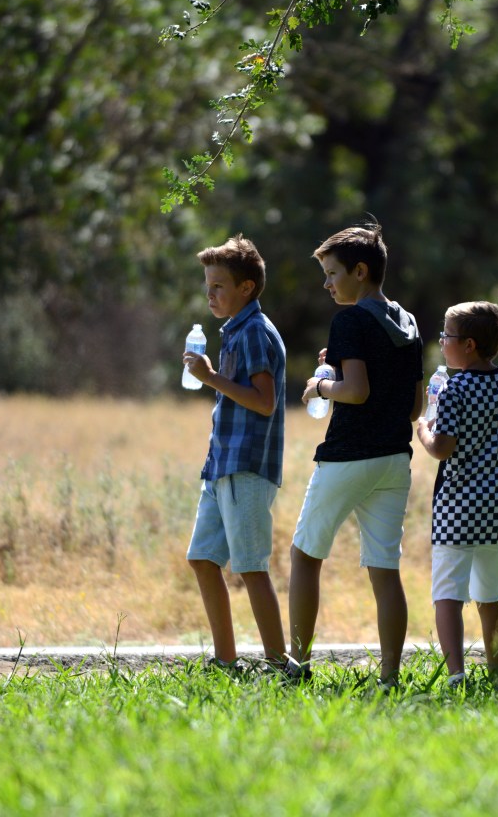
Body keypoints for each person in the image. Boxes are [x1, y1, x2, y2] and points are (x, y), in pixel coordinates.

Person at [288, 220, 423, 688]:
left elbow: (357, 391)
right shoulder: (407, 321)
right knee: (385, 569)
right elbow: (414, 407)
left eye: (332, 274)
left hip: (348, 456)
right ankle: (390, 677)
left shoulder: (349, 320)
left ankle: (297, 667)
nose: (326, 284)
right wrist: (343, 366)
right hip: (395, 460)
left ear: (360, 271)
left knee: (305, 555)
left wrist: (319, 386)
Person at [183, 234, 287, 669]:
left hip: (246, 466)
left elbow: (264, 402)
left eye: (218, 286)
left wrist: (211, 378)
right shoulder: (234, 331)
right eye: (207, 286)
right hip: (221, 465)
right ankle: (225, 661)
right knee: (202, 560)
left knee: (250, 566)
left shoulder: (255, 332)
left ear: (246, 287)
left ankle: (280, 665)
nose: (210, 294)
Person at [416, 302, 498, 686]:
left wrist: (423, 430)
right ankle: (497, 674)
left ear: (468, 345)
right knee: (491, 597)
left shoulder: (454, 388)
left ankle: (456, 675)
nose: (441, 342)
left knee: (448, 596)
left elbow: (442, 448)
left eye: (446, 335)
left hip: (457, 508)